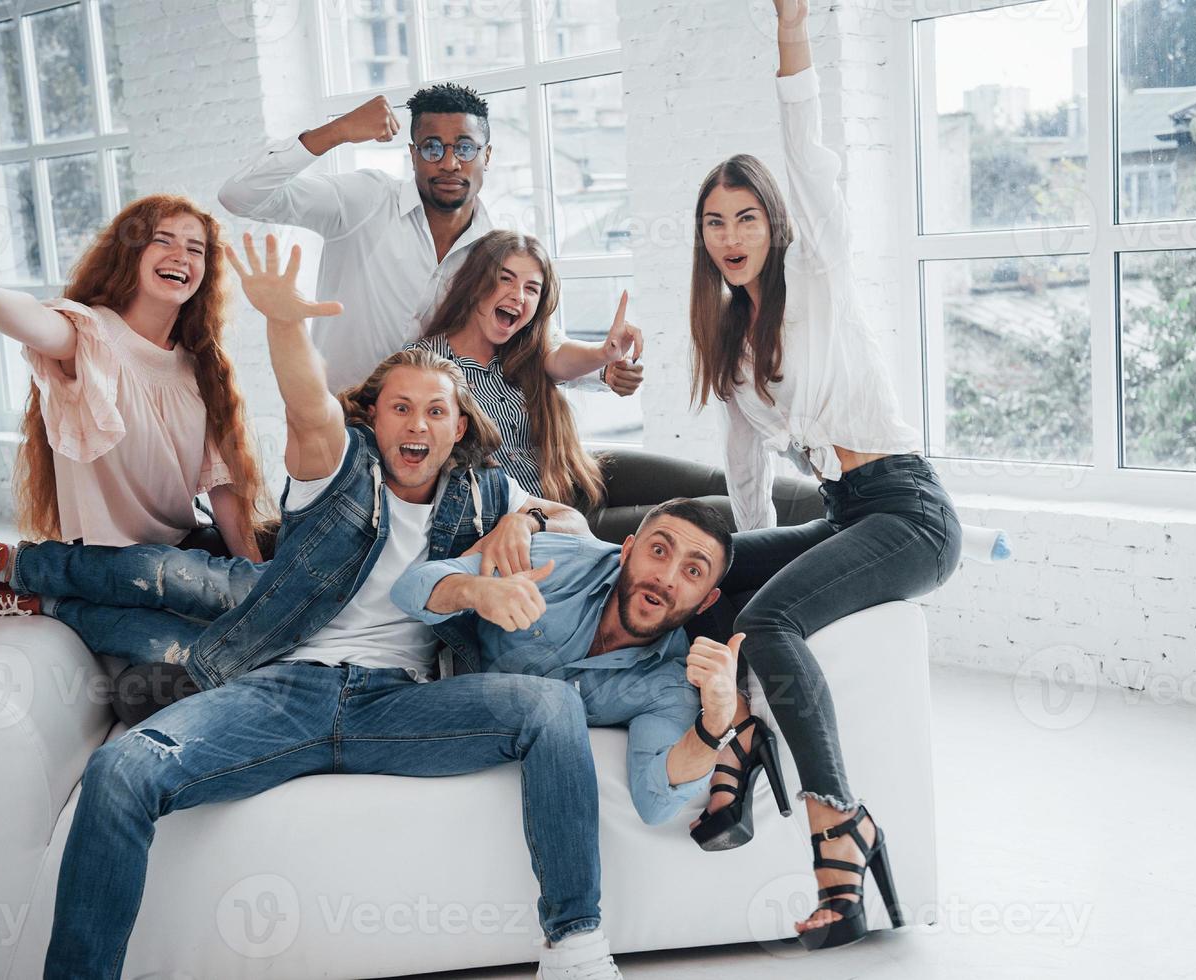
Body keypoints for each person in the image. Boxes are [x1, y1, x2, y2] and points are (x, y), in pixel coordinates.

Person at [0, 236, 626, 979]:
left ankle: (574, 948)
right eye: (401, 409)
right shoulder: (338, 469)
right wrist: (285, 327)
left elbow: (572, 523)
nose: (416, 426)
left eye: (435, 412)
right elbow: (309, 408)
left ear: (457, 427)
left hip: (402, 705)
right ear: (373, 419)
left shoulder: (485, 492)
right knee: (122, 769)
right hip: (285, 691)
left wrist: (526, 518)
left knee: (550, 710)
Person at [683, 0, 962, 950]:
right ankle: (748, 739)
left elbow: (809, 144)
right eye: (715, 222)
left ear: (775, 220)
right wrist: (736, 566)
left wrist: (790, 34)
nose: (731, 234)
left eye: (746, 215)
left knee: (770, 617)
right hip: (848, 515)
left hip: (909, 512)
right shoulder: (730, 344)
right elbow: (745, 476)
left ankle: (837, 825)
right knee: (721, 576)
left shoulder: (821, 275)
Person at [217, 83, 643, 396]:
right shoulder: (364, 199)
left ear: (487, 156)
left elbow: (533, 342)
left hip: (427, 440)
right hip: (338, 424)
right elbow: (240, 196)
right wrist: (338, 131)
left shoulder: (493, 249)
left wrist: (603, 368)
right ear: (413, 154)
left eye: (466, 148)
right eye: (432, 148)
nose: (450, 163)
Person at [0, 194, 268, 561]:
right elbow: (37, 323)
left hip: (186, 543)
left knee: (290, 539)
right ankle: (20, 567)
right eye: (163, 240)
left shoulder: (200, 366)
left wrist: (253, 576)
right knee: (156, 576)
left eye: (195, 249)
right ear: (129, 253)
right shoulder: (91, 334)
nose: (181, 256)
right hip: (114, 557)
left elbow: (223, 488)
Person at [392, 498, 759, 827]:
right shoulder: (557, 563)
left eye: (692, 571)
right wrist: (476, 591)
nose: (666, 577)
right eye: (659, 551)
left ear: (706, 602)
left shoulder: (669, 682)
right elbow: (410, 588)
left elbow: (655, 802)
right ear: (627, 550)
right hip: (433, 692)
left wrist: (715, 724)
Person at [408, 229, 633, 514]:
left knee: (705, 495)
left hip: (572, 497)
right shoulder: (424, 364)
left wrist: (605, 353)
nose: (518, 296)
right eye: (505, 279)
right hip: (524, 527)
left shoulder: (528, 351)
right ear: (475, 284)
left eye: (532, 288)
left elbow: (562, 358)